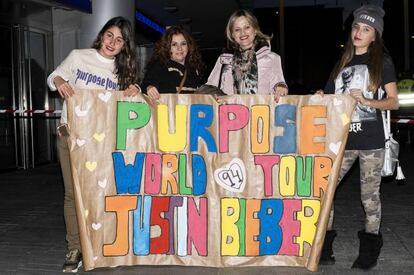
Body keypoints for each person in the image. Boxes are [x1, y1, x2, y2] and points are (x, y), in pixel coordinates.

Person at [47, 16, 140, 273]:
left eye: (119, 40)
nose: (112, 42)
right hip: (70, 134)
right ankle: (74, 247)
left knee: (100, 192)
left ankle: (99, 244)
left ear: (124, 47)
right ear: (101, 35)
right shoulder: (79, 57)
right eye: (109, 35)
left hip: (100, 141)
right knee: (71, 193)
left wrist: (136, 89)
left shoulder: (122, 71)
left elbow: (130, 103)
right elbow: (53, 76)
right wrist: (59, 82)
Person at [317, 5, 399, 270]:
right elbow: (330, 96)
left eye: (366, 29)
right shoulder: (343, 61)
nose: (359, 32)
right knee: (326, 191)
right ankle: (323, 246)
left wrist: (366, 101)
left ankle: (370, 249)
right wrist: (320, 95)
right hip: (342, 140)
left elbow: (394, 102)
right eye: (356, 27)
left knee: (369, 196)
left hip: (371, 142)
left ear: (375, 35)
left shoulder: (382, 62)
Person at [206, 9, 288, 101]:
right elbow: (211, 86)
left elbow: (278, 83)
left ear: (255, 30)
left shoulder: (272, 58)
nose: (243, 33)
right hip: (230, 112)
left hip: (260, 111)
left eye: (247, 27)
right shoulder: (223, 59)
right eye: (237, 30)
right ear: (232, 34)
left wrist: (281, 87)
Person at [141, 26, 205, 99]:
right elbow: (144, 85)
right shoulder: (160, 66)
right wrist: (149, 88)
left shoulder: (194, 70)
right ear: (167, 47)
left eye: (183, 44)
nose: (179, 48)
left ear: (189, 46)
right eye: (174, 44)